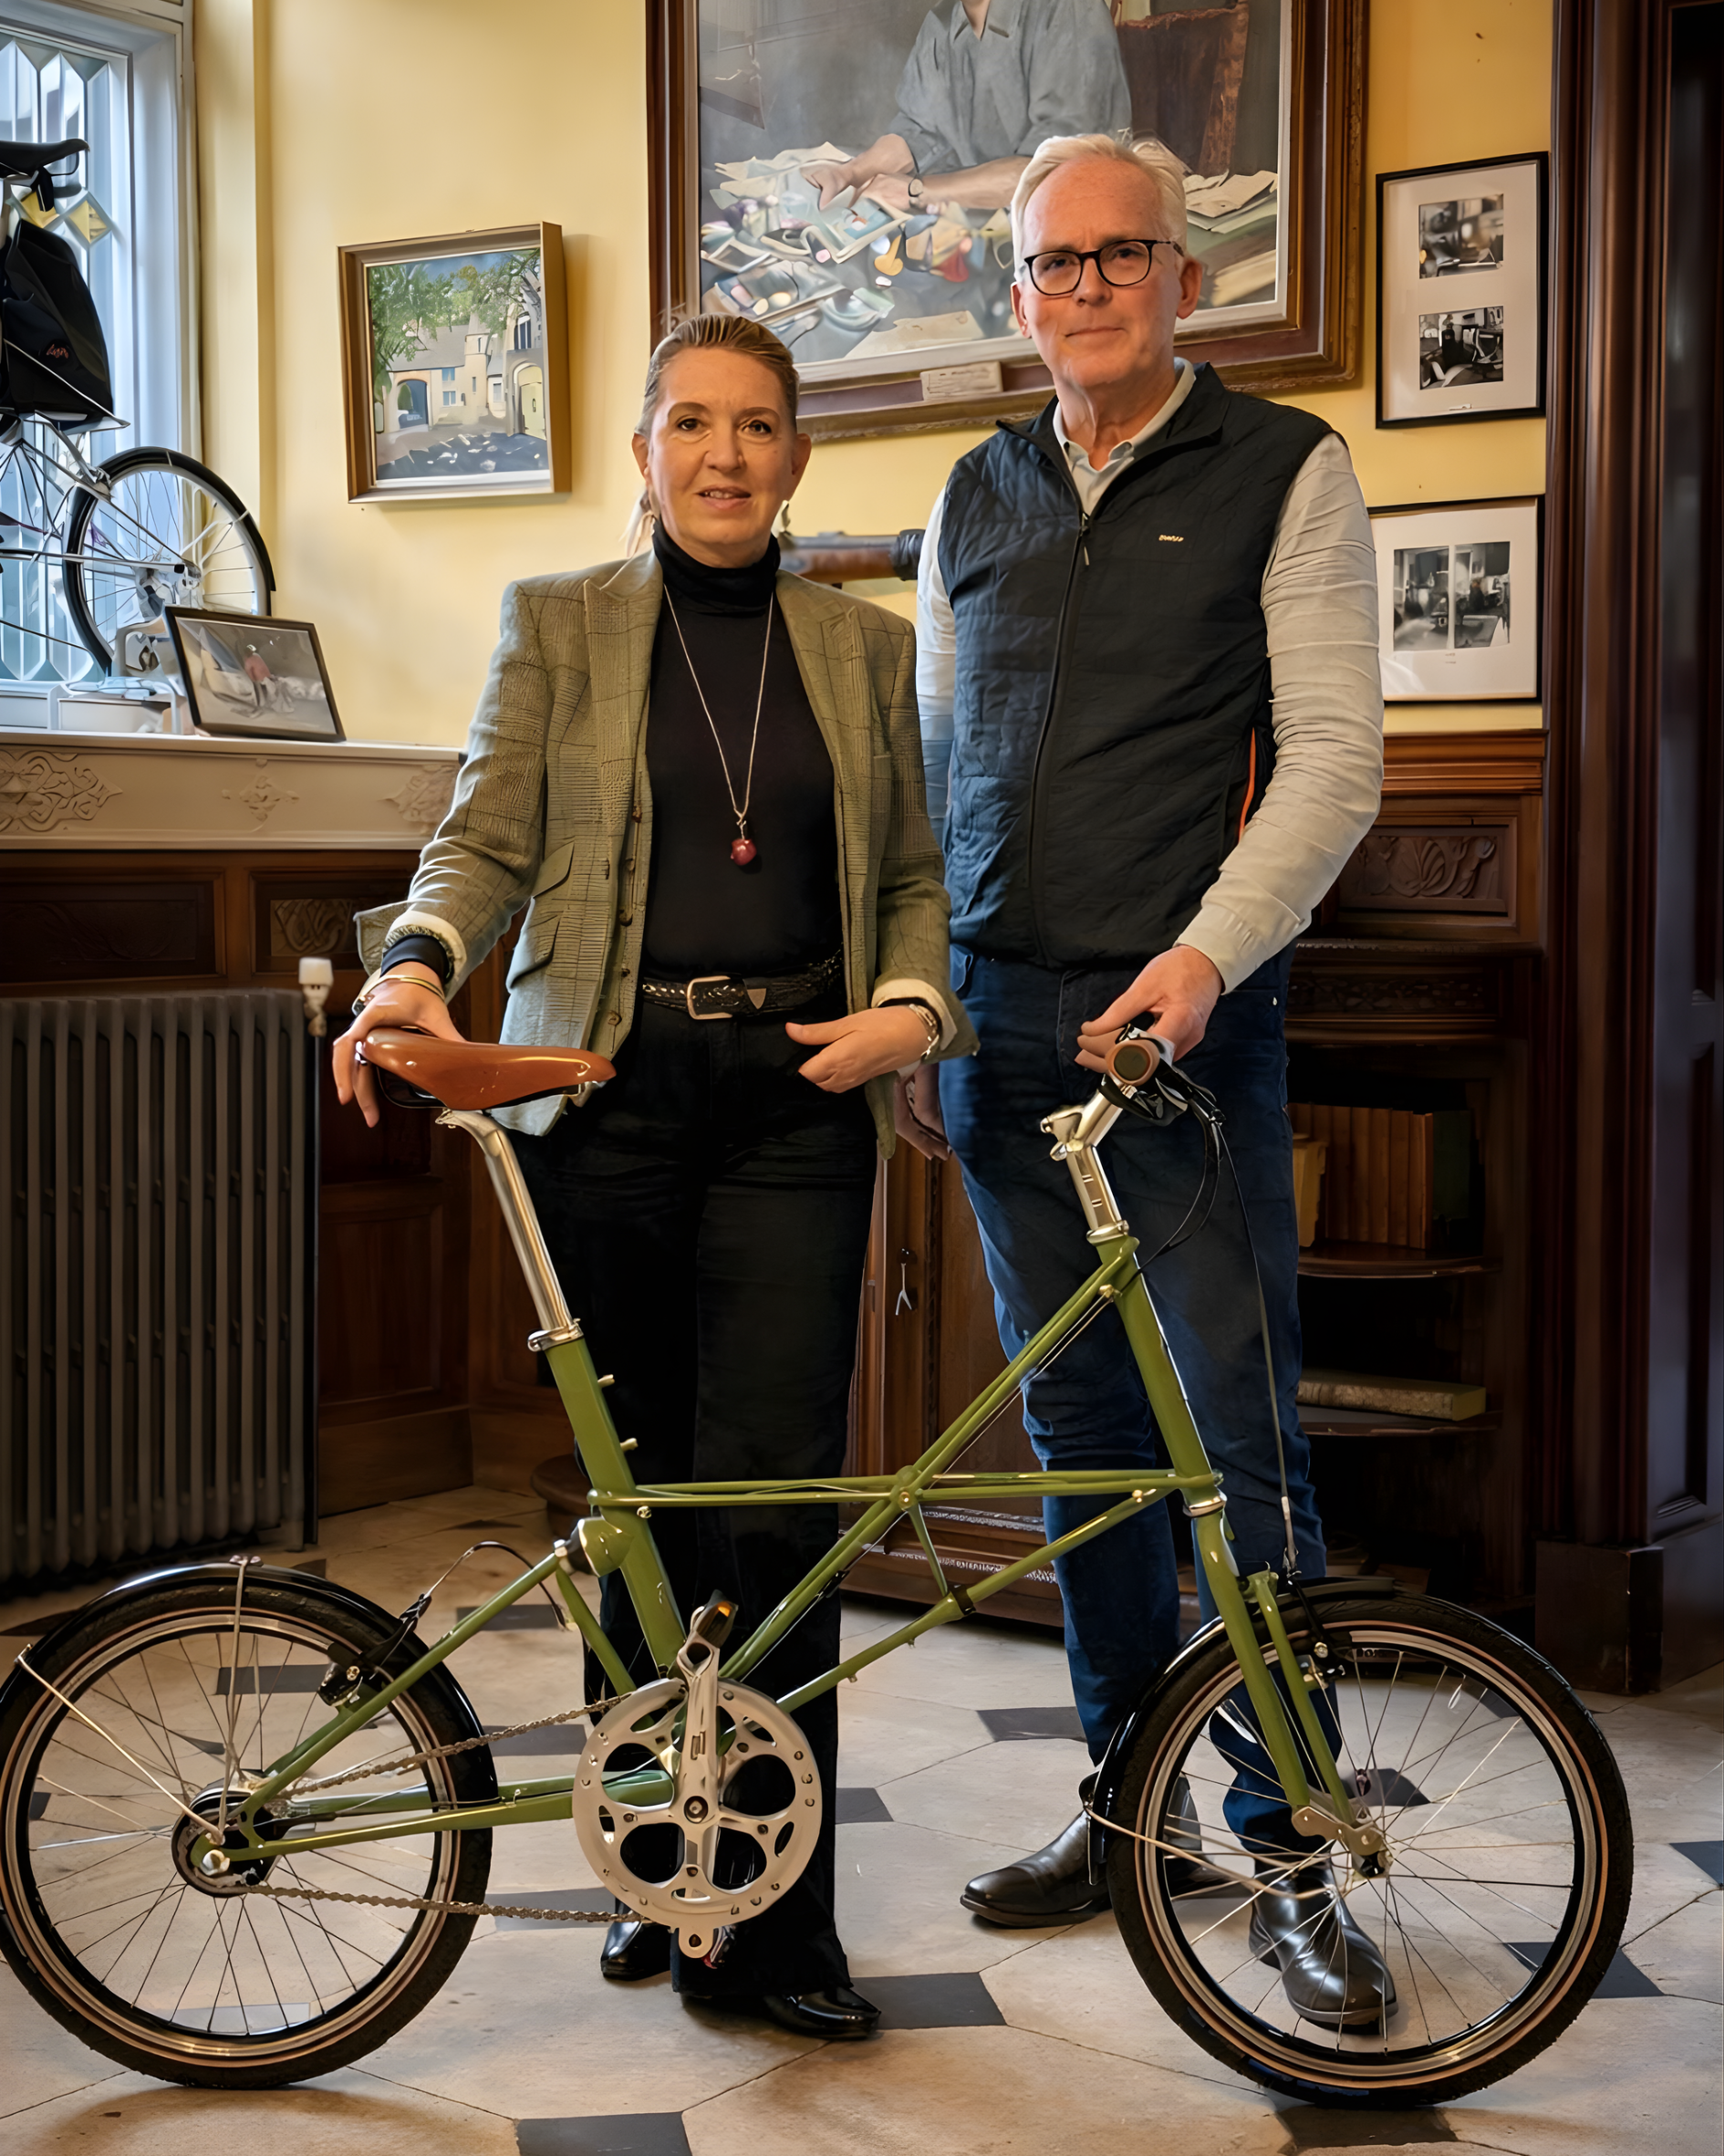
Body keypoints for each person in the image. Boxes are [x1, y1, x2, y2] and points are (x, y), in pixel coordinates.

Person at [333, 313, 973, 2042]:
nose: (724, 455)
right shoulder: (560, 623)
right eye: (691, 422)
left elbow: (909, 873)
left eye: (758, 426)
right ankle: (651, 1866)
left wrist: (906, 1006)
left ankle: (774, 1917)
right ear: (642, 448)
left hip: (792, 1097)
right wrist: (415, 961)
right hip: (603, 1098)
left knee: (771, 1504)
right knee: (641, 1507)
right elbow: (483, 834)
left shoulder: (860, 643)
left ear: (797, 458)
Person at [909, 132, 1391, 2026]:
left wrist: (1200, 966)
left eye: (1123, 256)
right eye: (1053, 262)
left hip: (1179, 1040)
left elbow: (1339, 763)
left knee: (1236, 1449)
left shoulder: (1285, 469)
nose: (1087, 287)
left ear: (1186, 278)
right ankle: (1132, 1811)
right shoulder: (978, 486)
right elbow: (943, 764)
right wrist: (929, 997)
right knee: (1088, 1449)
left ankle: (1291, 1847)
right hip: (997, 1030)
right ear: (1015, 291)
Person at [805, 0, 1129, 215]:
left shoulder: (1067, 8)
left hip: (1070, 231)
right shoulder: (942, 21)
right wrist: (850, 172)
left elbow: (1052, 170)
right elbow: (918, 131)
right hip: (981, 226)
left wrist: (919, 190)